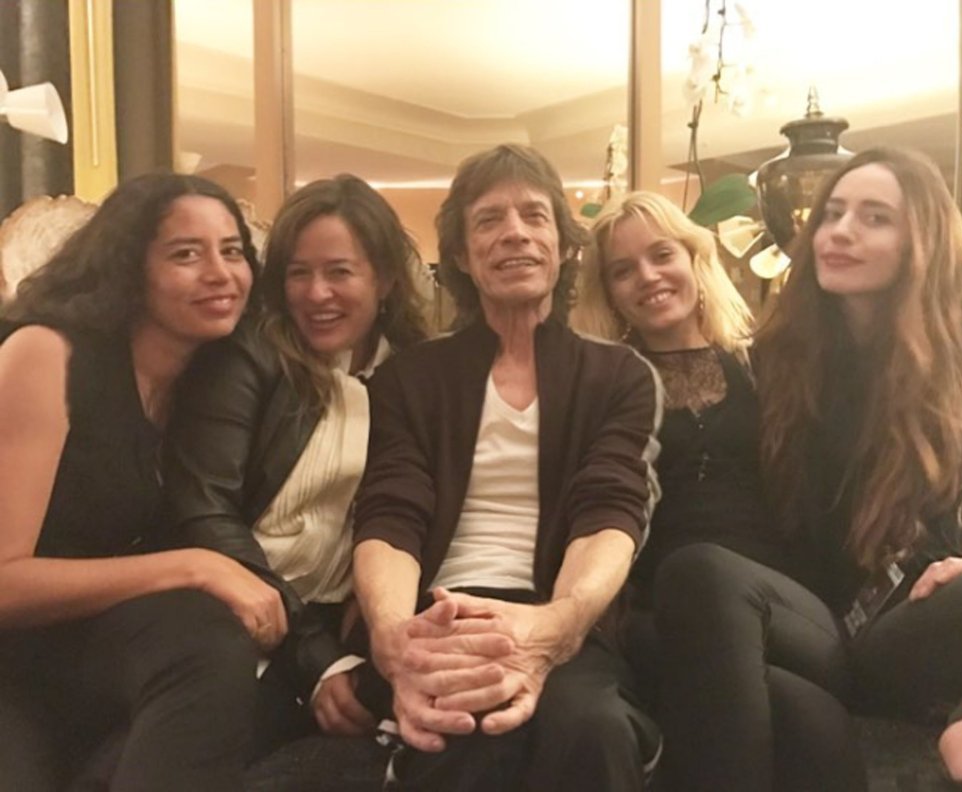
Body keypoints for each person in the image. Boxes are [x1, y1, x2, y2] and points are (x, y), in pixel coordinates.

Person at [654, 146, 962, 791]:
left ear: (922, 239)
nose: (840, 231)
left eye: (874, 218)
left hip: (952, 610)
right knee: (699, 569)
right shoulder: (783, 361)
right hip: (841, 632)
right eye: (833, 214)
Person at [350, 144, 663, 791]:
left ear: (564, 245)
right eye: (489, 219)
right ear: (462, 256)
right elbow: (391, 515)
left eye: (534, 215)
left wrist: (556, 626)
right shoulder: (410, 377)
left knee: (593, 728)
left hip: (563, 609)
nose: (514, 232)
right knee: (460, 727)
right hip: (440, 610)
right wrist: (395, 636)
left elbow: (609, 512)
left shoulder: (618, 375)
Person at [0, 173, 270, 791]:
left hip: (99, 649)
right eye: (186, 254)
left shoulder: (215, 377)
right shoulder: (46, 353)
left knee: (207, 639)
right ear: (128, 268)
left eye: (232, 251)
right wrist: (196, 566)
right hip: (13, 657)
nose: (220, 274)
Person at [162, 174, 429, 760]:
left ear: (384, 278)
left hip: (347, 624)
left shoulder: (416, 374)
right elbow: (203, 511)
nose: (316, 293)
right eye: (298, 272)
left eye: (340, 271)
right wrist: (315, 658)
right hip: (232, 608)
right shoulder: (248, 355)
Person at [572, 191, 790, 741]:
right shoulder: (603, 390)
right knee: (805, 717)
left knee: (706, 572)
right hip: (663, 610)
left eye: (662, 255)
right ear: (610, 294)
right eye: (623, 270)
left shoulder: (765, 365)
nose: (647, 277)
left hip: (781, 603)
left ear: (695, 259)